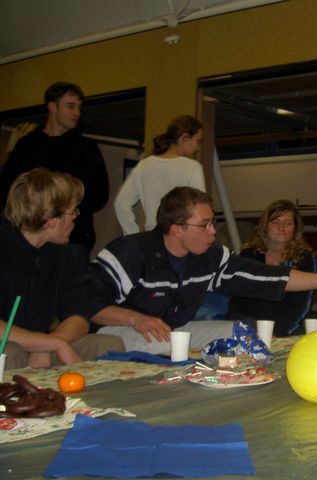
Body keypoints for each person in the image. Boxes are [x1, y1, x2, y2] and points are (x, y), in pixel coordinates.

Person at [84, 187, 317, 353]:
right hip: (121, 331)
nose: (213, 232)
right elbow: (84, 303)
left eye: (213, 223)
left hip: (175, 330)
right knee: (172, 345)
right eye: (204, 225)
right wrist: (135, 319)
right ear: (177, 229)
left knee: (244, 335)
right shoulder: (131, 251)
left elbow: (266, 277)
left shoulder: (209, 258)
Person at [0, 168, 124, 369]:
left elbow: (79, 315)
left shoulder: (63, 256)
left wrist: (50, 343)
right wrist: (49, 343)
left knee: (107, 345)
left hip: (44, 345)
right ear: (51, 221)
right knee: (9, 352)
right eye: (73, 211)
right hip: (9, 346)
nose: (75, 218)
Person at [0, 82, 109, 270]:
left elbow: (99, 196)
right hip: (29, 239)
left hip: (72, 241)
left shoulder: (86, 148)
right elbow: (7, 191)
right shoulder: (27, 145)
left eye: (79, 107)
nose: (77, 113)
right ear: (52, 106)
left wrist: (64, 206)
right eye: (70, 106)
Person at [227, 199, 317, 336]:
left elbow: (302, 306)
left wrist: (278, 334)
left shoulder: (305, 259)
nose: (281, 228)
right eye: (275, 222)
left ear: (295, 228)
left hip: (288, 329)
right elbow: (236, 301)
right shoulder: (248, 255)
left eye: (288, 223)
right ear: (265, 226)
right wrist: (237, 328)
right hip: (248, 326)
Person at [114, 115, 206, 235]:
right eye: (198, 142)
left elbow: (121, 204)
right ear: (185, 138)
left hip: (152, 237)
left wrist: (133, 236)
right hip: (181, 237)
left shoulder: (144, 165)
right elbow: (201, 208)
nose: (199, 148)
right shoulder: (192, 167)